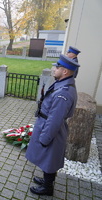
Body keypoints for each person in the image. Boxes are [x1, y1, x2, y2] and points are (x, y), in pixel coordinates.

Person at [26, 54, 80, 196]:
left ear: (65, 72)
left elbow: (54, 119)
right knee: (47, 158)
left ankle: (47, 187)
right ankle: (46, 181)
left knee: (50, 158)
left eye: (57, 67)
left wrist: (45, 138)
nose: (54, 69)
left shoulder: (64, 93)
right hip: (46, 124)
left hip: (51, 129)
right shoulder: (62, 84)